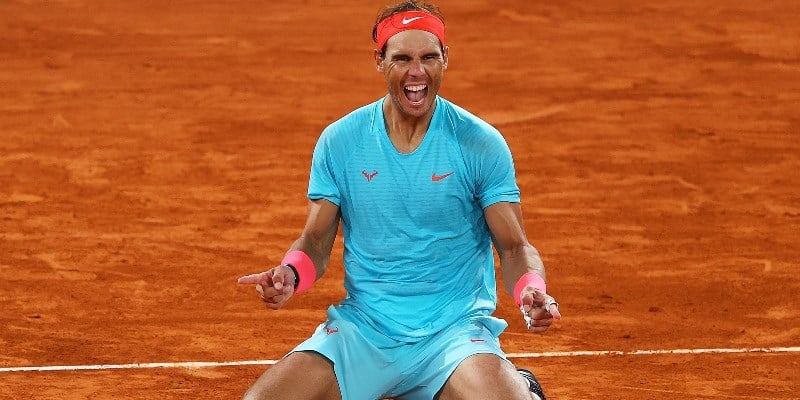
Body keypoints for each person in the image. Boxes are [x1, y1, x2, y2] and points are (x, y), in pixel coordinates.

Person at [237, 1, 562, 399]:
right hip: (365, 332)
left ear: (445, 59)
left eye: (429, 57)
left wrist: (531, 288)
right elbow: (317, 241)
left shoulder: (480, 144)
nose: (416, 72)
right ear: (380, 61)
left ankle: (521, 387)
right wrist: (292, 273)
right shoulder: (341, 142)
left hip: (454, 337)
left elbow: (514, 247)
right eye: (402, 58)